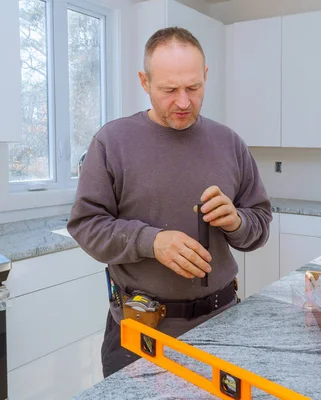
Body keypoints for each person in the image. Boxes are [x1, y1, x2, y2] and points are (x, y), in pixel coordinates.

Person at [67, 27, 272, 378]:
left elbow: (260, 223)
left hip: (223, 325)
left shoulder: (230, 143)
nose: (182, 102)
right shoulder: (111, 142)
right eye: (168, 90)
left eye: (193, 88)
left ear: (206, 76)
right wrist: (152, 241)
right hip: (138, 333)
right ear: (144, 82)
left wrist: (237, 222)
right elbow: (86, 226)